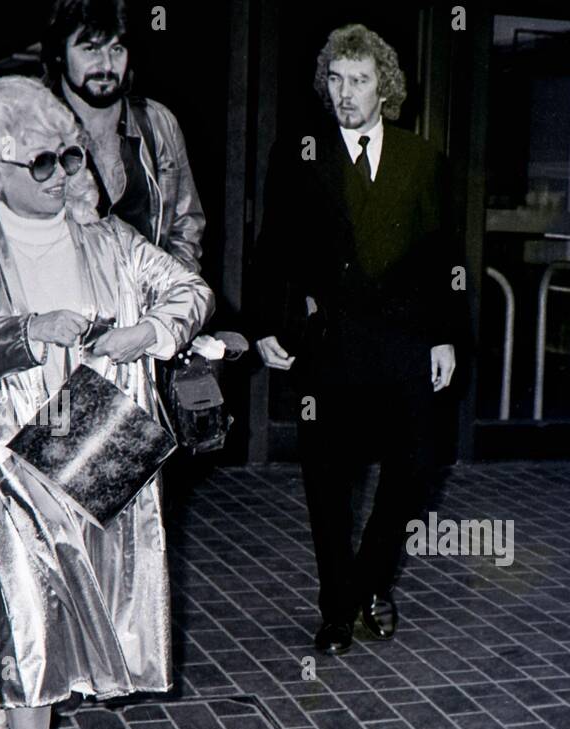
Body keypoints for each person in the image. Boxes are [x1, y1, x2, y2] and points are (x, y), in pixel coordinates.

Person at [0, 76, 214, 729]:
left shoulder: (107, 237)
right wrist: (30, 330)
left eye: (69, 158)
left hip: (97, 433)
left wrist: (151, 331)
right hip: (11, 453)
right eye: (42, 163)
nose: (61, 176)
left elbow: (190, 288)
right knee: (31, 629)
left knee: (92, 620)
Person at [249, 23, 466, 655]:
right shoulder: (301, 152)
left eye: (361, 81)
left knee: (416, 469)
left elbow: (444, 257)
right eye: (337, 80)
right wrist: (264, 324)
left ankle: (370, 581)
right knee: (327, 479)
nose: (347, 94)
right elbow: (272, 249)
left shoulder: (421, 158)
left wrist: (447, 336)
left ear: (385, 87)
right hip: (333, 339)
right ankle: (336, 607)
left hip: (404, 339)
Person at [43, 0, 206, 271]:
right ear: (60, 51)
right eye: (90, 49)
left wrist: (169, 298)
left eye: (116, 48)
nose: (106, 65)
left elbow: (186, 226)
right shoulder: (33, 124)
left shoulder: (157, 122)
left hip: (148, 307)